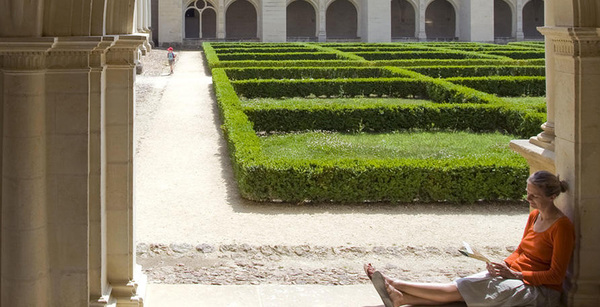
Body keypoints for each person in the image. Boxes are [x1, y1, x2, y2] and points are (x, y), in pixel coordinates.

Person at [365, 170, 575, 307]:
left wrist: (516, 275)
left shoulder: (562, 226)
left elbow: (556, 276)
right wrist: (502, 265)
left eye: (533, 196)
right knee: (463, 287)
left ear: (552, 196)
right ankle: (402, 298)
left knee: (459, 289)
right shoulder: (534, 215)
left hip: (540, 292)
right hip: (515, 275)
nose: (528, 199)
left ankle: (394, 282)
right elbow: (521, 251)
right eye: (527, 193)